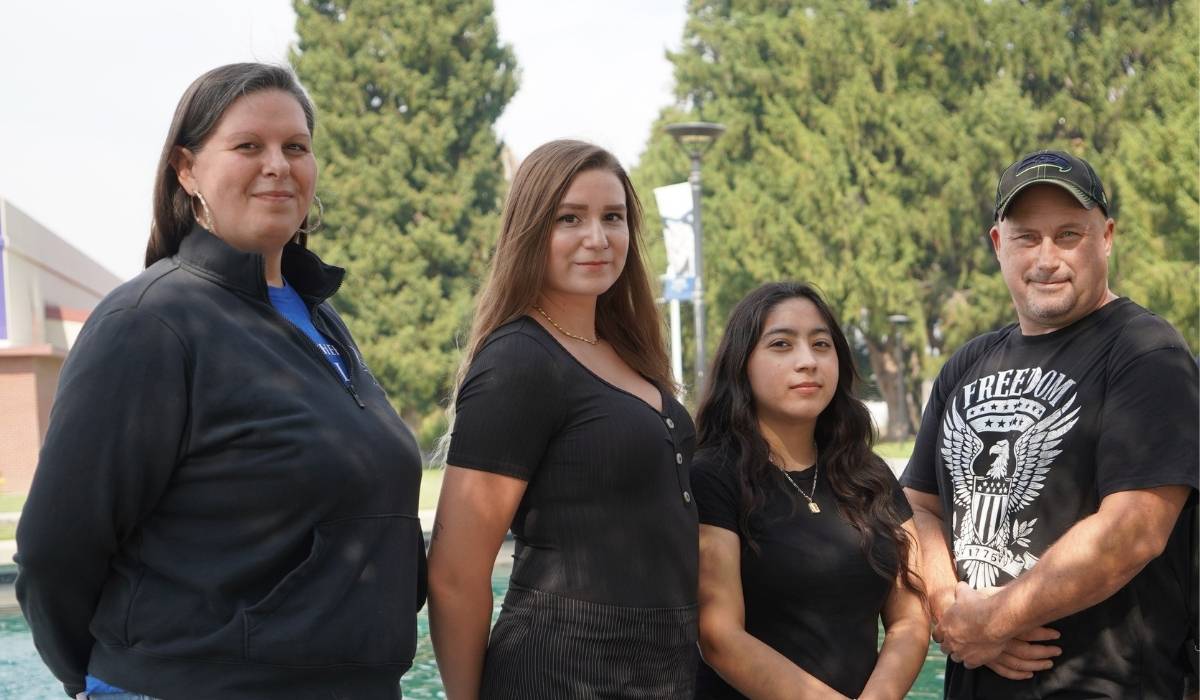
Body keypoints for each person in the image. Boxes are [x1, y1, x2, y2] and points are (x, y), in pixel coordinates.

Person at [15, 63, 426, 700]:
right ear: (186, 169)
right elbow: (52, 551)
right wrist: (117, 679)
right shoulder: (149, 324)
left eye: (296, 147)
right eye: (247, 146)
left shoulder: (319, 316)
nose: (278, 165)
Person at [901, 149, 1198, 699]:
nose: (1046, 258)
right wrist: (949, 606)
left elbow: (1135, 530)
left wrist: (994, 620)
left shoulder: (1145, 352)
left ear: (1105, 237)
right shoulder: (966, 365)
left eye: (1068, 235)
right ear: (998, 244)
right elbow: (916, 506)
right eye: (1026, 237)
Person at [426, 139, 699, 699]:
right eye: (569, 218)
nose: (597, 239)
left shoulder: (629, 352)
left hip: (661, 671)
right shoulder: (519, 359)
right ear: (530, 231)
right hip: (560, 672)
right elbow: (455, 575)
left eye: (613, 218)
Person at [690, 282, 929, 700]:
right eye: (781, 344)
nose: (808, 362)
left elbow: (911, 617)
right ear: (740, 363)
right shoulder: (711, 475)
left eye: (822, 345)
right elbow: (718, 635)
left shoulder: (869, 476)